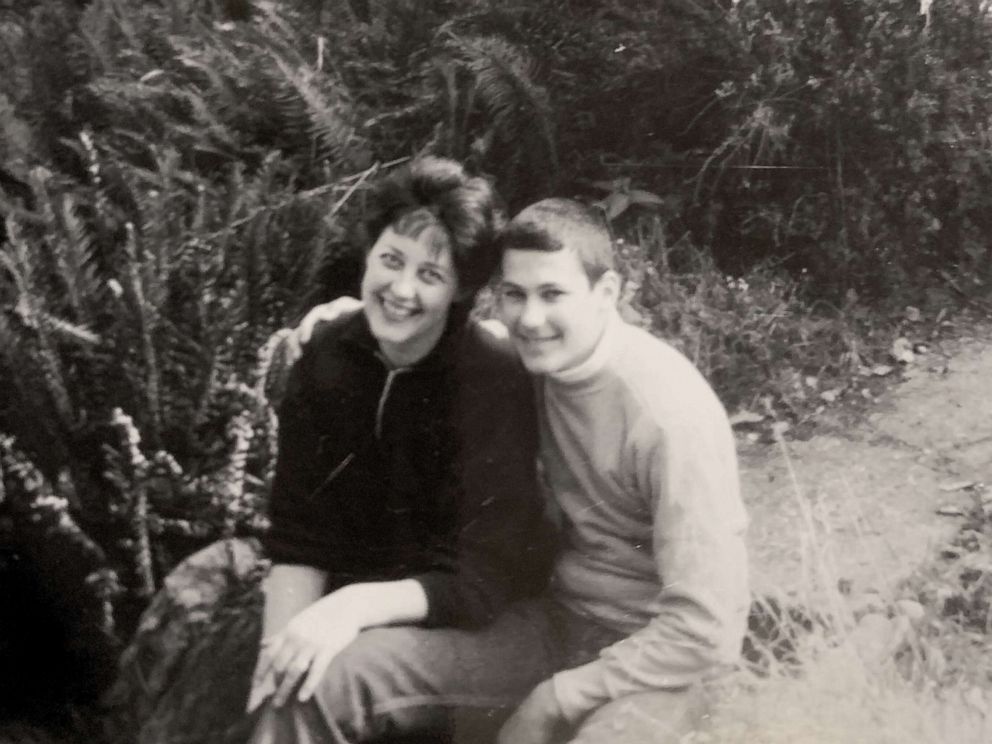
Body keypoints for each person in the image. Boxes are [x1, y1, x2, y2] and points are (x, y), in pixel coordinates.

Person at [107, 157, 552, 744]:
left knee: (315, 689)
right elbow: (301, 537)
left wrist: (350, 611)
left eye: (430, 275)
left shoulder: (491, 381)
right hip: (363, 595)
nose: (400, 290)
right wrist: (277, 658)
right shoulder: (327, 357)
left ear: (462, 291)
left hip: (470, 620)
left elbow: (482, 576)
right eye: (391, 260)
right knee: (257, 679)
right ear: (368, 256)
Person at [286, 197, 749, 744]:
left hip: (662, 661)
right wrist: (357, 321)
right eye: (514, 294)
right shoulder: (531, 358)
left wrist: (557, 699)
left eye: (553, 294)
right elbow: (450, 333)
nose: (530, 319)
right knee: (342, 675)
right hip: (559, 622)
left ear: (608, 295)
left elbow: (708, 627)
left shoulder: (670, 416)